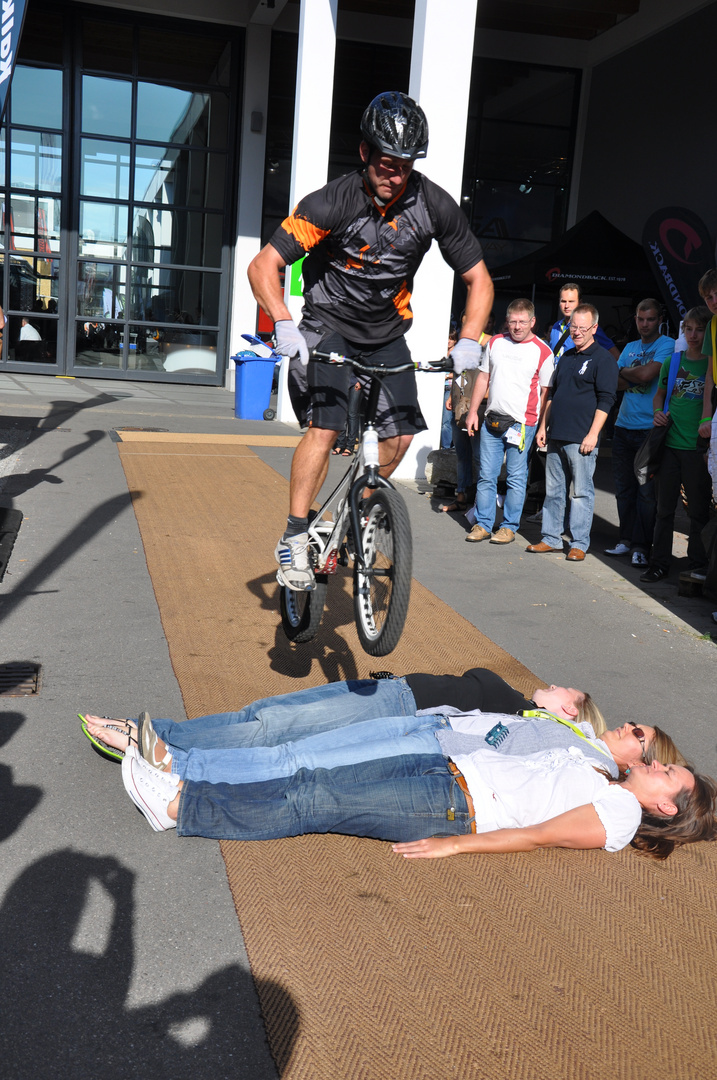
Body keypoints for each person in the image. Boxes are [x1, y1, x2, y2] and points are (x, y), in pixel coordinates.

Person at [247, 91, 494, 591]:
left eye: (404, 166)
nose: (394, 175)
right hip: (329, 323)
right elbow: (263, 264)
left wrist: (469, 342)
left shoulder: (434, 205)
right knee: (325, 426)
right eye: (385, 164)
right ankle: (295, 538)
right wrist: (284, 322)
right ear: (364, 153)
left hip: (386, 331)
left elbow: (480, 280)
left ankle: (354, 515)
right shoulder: (331, 201)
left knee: (403, 434)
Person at [117, 736, 716, 864]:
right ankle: (190, 790)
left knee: (316, 797)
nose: (661, 766)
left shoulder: (621, 813)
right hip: (444, 765)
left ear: (667, 809)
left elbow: (540, 835)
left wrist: (458, 843)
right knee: (313, 778)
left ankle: (177, 809)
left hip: (453, 802)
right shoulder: (609, 776)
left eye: (671, 778)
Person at [84, 705, 683, 788]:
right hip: (430, 724)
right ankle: (178, 759)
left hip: (436, 753)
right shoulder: (579, 734)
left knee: (300, 761)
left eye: (640, 735)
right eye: (635, 724)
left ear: (642, 759)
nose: (631, 727)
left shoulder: (595, 766)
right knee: (306, 744)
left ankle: (180, 769)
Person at [527, 303, 618, 561]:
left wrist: (593, 435)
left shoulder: (603, 360)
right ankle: (551, 538)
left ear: (594, 328)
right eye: (572, 327)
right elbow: (553, 395)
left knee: (580, 493)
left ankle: (579, 543)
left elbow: (606, 400)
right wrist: (543, 426)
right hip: (556, 434)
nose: (576, 332)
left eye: (581, 327)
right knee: (555, 491)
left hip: (582, 439)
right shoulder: (566, 357)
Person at [464, 299, 554, 545]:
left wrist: (543, 427)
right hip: (492, 420)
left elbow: (547, 393)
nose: (517, 327)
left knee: (516, 477)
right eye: (513, 321)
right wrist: (473, 411)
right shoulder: (495, 342)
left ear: (533, 322)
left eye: (522, 322)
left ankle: (509, 526)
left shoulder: (543, 351)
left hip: (522, 425)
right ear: (507, 321)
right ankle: (483, 524)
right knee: (486, 475)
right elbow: (483, 377)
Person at [640, 306, 713, 584]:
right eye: (688, 329)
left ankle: (697, 566)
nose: (693, 335)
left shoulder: (711, 364)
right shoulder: (674, 361)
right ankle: (659, 563)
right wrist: (658, 412)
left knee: (697, 512)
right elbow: (659, 395)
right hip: (669, 445)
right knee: (664, 509)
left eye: (699, 329)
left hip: (697, 448)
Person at [606, 300, 675, 567]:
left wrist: (627, 372)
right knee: (624, 491)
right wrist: (632, 374)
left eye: (650, 319)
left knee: (646, 493)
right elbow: (615, 382)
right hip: (623, 426)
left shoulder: (667, 344)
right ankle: (625, 540)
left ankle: (641, 546)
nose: (645, 324)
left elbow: (646, 376)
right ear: (635, 319)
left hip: (649, 428)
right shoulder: (631, 347)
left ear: (659, 320)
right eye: (640, 319)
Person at [549, 283, 620, 362]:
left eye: (571, 301)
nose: (566, 306)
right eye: (563, 301)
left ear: (580, 303)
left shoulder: (590, 328)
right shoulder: (555, 327)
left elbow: (616, 356)